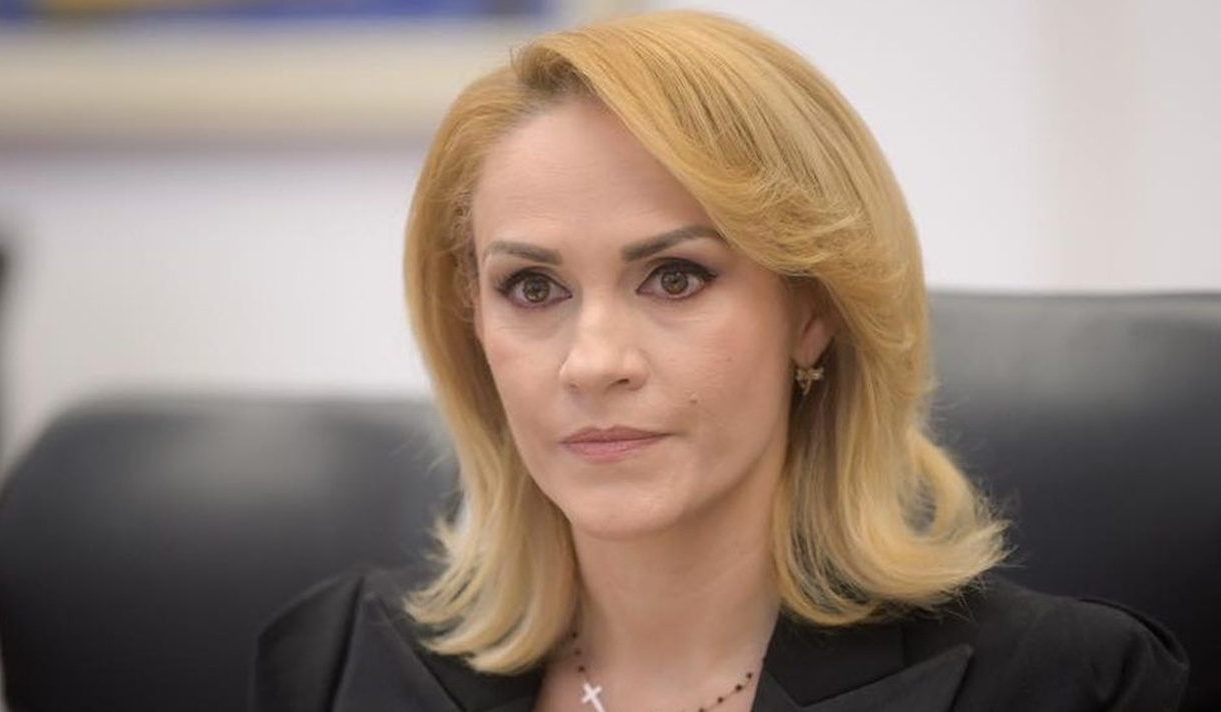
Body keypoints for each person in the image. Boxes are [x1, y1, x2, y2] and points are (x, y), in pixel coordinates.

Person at [252, 10, 1187, 712]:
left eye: (675, 278)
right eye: (533, 288)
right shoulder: (333, 664)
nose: (594, 363)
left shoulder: (1070, 684)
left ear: (812, 314)